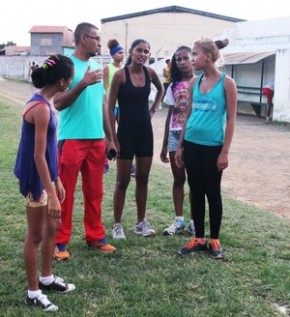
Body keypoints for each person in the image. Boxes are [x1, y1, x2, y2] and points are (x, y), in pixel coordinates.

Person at [14, 55, 76, 312]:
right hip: (34, 178)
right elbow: (38, 155)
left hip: (46, 177)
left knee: (54, 225)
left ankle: (47, 277)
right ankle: (33, 292)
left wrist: (56, 179)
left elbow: (49, 149)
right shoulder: (39, 107)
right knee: (36, 234)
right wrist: (50, 193)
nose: (71, 83)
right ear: (62, 81)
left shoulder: (47, 104)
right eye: (70, 79)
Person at [53, 22, 117, 260]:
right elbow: (57, 102)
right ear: (82, 39)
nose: (100, 43)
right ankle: (59, 241)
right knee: (65, 193)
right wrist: (82, 83)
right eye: (96, 38)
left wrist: (110, 138)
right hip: (71, 139)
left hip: (96, 141)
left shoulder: (95, 65)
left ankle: (95, 236)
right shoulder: (66, 65)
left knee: (95, 192)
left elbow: (101, 104)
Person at [175, 38, 237, 259]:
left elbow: (230, 120)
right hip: (191, 144)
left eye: (195, 54)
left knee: (213, 192)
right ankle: (199, 238)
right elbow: (188, 115)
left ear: (208, 56)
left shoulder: (227, 83)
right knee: (196, 190)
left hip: (213, 147)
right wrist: (180, 146)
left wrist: (225, 151)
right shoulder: (194, 82)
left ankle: (214, 240)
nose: (192, 59)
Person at [108, 39, 164, 239]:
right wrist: (112, 139)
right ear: (131, 52)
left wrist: (154, 109)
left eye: (146, 51)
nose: (143, 54)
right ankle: (117, 224)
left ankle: (141, 222)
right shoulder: (120, 75)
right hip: (125, 133)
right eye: (139, 50)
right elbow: (109, 107)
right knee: (122, 181)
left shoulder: (150, 73)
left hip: (145, 133)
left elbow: (161, 89)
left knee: (143, 179)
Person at [160, 46, 196, 236]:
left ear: (193, 59)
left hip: (193, 136)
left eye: (185, 58)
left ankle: (194, 222)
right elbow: (169, 114)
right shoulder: (173, 85)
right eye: (178, 59)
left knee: (194, 181)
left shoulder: (200, 82)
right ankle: (179, 220)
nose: (182, 62)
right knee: (179, 178)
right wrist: (165, 143)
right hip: (175, 134)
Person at [103, 39, 125, 174]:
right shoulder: (107, 68)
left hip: (122, 105)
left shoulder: (124, 70)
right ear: (113, 55)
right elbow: (104, 87)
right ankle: (105, 162)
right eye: (119, 53)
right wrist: (106, 105)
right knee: (109, 134)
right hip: (110, 106)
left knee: (123, 134)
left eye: (123, 53)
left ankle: (124, 160)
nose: (122, 55)